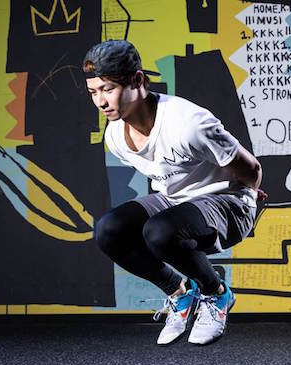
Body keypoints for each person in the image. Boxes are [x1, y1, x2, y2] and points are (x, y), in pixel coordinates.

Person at [83, 40, 266, 345]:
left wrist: (248, 196)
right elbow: (169, 178)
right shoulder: (115, 135)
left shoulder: (188, 123)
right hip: (177, 201)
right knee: (109, 230)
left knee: (159, 231)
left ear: (138, 81)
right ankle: (179, 292)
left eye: (108, 89)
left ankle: (216, 293)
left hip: (228, 201)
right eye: (93, 92)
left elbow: (252, 169)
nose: (100, 101)